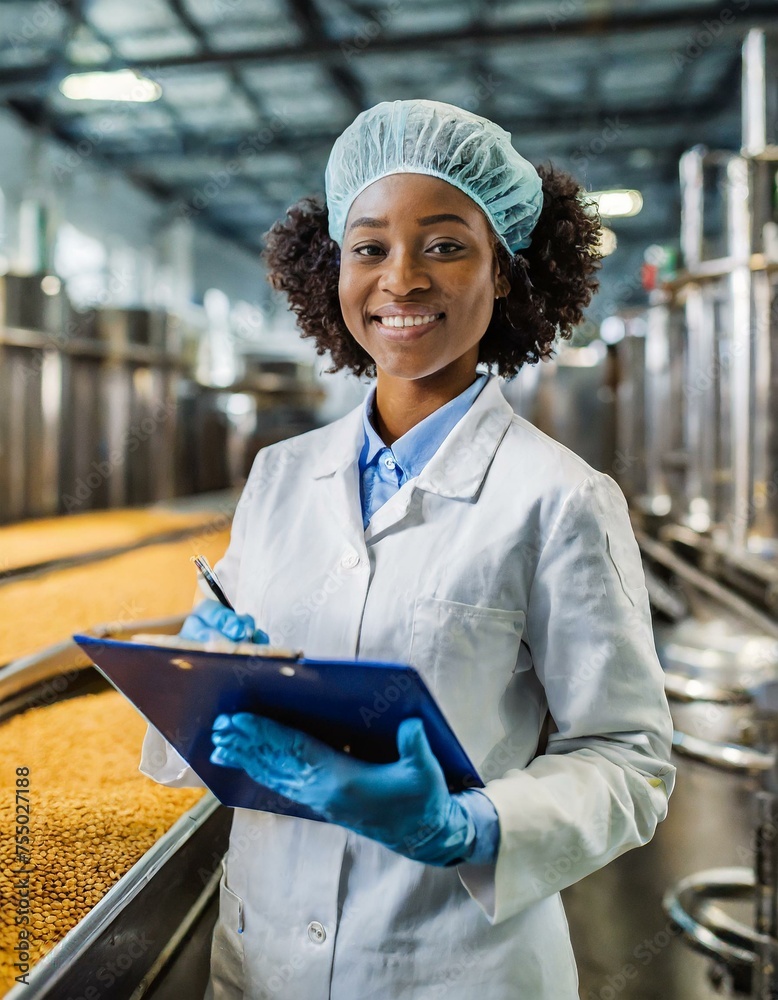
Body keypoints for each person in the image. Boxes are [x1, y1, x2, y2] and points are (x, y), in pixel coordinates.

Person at [140, 99, 676, 999]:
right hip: (262, 954)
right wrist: (198, 681)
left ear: (504, 272)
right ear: (332, 268)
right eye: (369, 246)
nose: (401, 279)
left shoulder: (561, 499)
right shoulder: (280, 475)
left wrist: (465, 827)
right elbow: (211, 728)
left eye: (445, 245)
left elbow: (628, 759)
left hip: (452, 967)